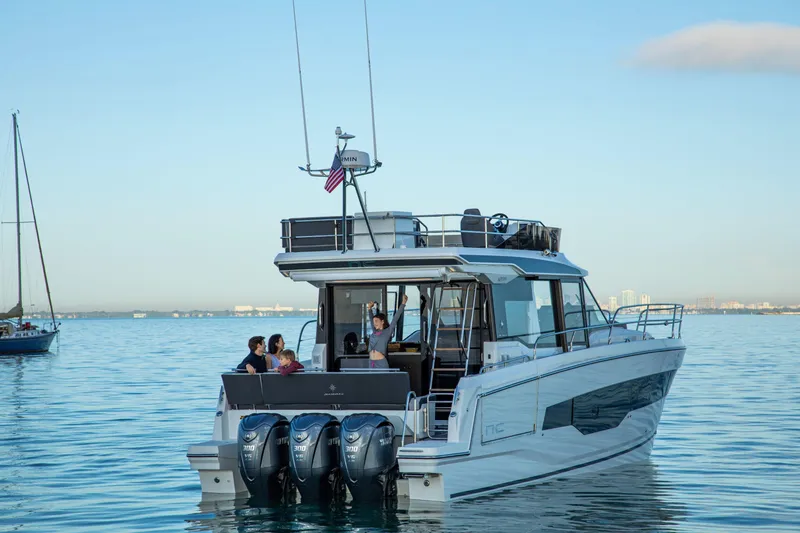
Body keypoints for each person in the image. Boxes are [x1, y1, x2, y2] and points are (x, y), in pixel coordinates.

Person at [367, 294, 408, 369]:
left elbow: (395, 318)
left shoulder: (387, 331)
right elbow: (370, 318)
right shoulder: (374, 331)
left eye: (376, 321)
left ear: (382, 322)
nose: (374, 323)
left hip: (381, 363)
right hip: (371, 362)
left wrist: (403, 304)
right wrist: (369, 308)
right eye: (374, 321)